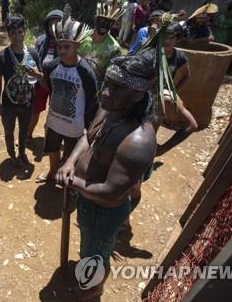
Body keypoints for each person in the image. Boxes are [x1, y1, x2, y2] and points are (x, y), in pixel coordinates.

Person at [56, 54, 158, 301]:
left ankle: (90, 291)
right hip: (88, 202)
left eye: (117, 87)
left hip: (104, 212)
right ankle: (88, 281)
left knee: (95, 255)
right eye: (107, 82)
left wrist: (73, 182)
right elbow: (87, 137)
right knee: (90, 250)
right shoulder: (111, 108)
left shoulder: (138, 140)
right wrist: (69, 162)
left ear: (137, 94)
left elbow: (112, 191)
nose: (105, 92)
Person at [36, 17, 99, 183]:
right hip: (54, 122)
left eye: (67, 46)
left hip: (75, 127)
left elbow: (93, 101)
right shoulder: (51, 67)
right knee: (53, 149)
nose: (62, 50)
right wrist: (40, 79)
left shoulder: (85, 71)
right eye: (59, 46)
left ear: (77, 46)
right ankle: (51, 173)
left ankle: (68, 184)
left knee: (72, 157)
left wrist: (89, 128)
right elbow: (50, 89)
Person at [0, 14, 43, 166]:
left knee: (23, 132)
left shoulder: (33, 53)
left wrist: (36, 74)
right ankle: (12, 155)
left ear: (25, 32)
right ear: (8, 35)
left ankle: (22, 152)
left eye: (20, 32)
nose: (17, 36)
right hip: (8, 104)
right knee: (9, 132)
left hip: (28, 103)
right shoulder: (2, 56)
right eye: (13, 33)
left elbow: (41, 76)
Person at [29, 9, 63, 140]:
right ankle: (28, 135)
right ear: (46, 26)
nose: (53, 28)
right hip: (39, 80)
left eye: (57, 24)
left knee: (55, 112)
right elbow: (34, 59)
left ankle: (51, 138)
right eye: (51, 24)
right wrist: (38, 76)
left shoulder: (67, 42)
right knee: (35, 109)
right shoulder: (41, 40)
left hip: (59, 83)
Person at [79, 3, 123, 86]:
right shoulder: (81, 36)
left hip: (93, 85)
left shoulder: (115, 48)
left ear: (112, 25)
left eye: (109, 23)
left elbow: (111, 74)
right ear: (96, 21)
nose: (104, 25)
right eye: (102, 21)